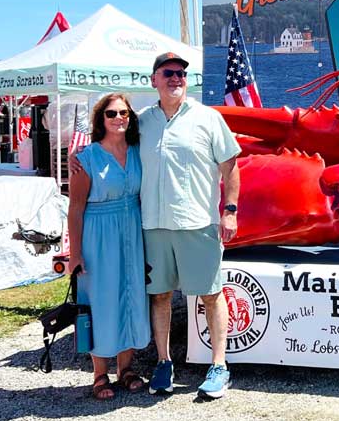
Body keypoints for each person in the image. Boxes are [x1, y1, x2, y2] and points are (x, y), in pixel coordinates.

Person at [70, 52, 241, 400]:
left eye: (181, 73)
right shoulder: (141, 122)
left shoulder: (208, 118)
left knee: (210, 294)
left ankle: (219, 366)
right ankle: (163, 362)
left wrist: (231, 210)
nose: (176, 78)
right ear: (154, 80)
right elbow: (110, 144)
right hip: (152, 226)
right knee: (159, 296)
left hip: (198, 223)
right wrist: (79, 156)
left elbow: (230, 166)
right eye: (168, 73)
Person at [68, 93, 151, 401]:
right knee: (101, 300)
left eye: (124, 113)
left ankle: (126, 368)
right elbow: (75, 208)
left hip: (131, 229)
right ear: (101, 119)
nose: (119, 118)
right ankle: (99, 373)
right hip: (98, 235)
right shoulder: (86, 158)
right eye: (112, 113)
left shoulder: (137, 152)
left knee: (130, 295)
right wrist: (75, 254)